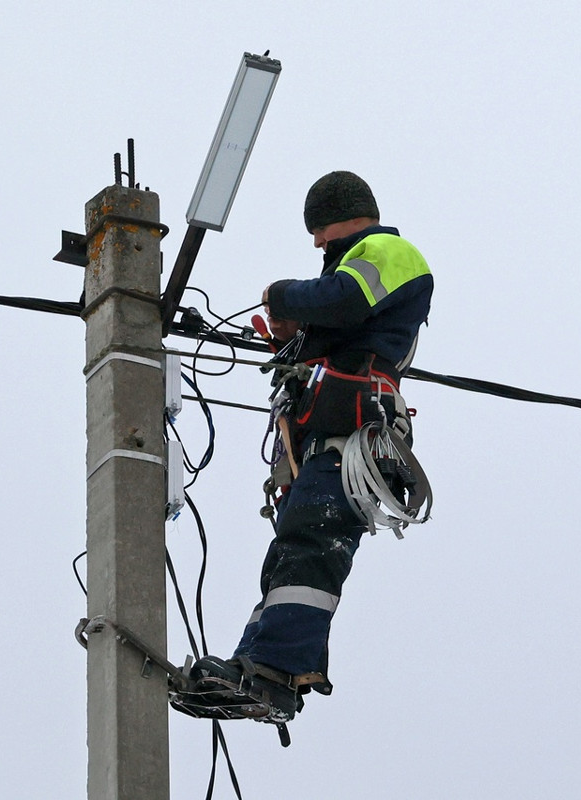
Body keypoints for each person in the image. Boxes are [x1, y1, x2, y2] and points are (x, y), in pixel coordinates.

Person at [188, 170, 434, 721]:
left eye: (320, 230)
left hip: (354, 437)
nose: (318, 242)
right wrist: (292, 337)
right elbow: (338, 322)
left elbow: (343, 301)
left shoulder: (391, 252)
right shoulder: (351, 274)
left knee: (312, 542)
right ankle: (257, 666)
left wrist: (281, 296)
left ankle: (274, 672)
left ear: (345, 216)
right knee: (293, 551)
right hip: (326, 439)